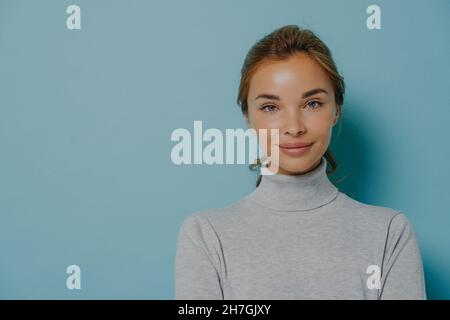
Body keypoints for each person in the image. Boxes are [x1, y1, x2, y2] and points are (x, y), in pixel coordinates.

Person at [175, 24, 426, 300]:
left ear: (336, 111)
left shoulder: (390, 234)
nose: (293, 127)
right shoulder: (206, 235)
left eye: (312, 104)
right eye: (271, 107)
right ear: (249, 118)